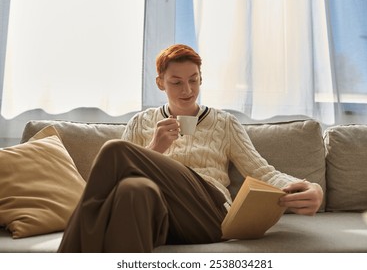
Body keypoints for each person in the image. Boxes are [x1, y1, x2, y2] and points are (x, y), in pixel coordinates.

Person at [58, 44, 323, 253]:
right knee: (132, 189)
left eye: (194, 80)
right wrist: (155, 148)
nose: (187, 90)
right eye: (176, 82)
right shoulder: (141, 122)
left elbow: (262, 171)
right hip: (157, 218)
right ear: (160, 82)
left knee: (116, 150)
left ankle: (70, 259)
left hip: (207, 215)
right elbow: (116, 181)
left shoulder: (224, 122)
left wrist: (308, 186)